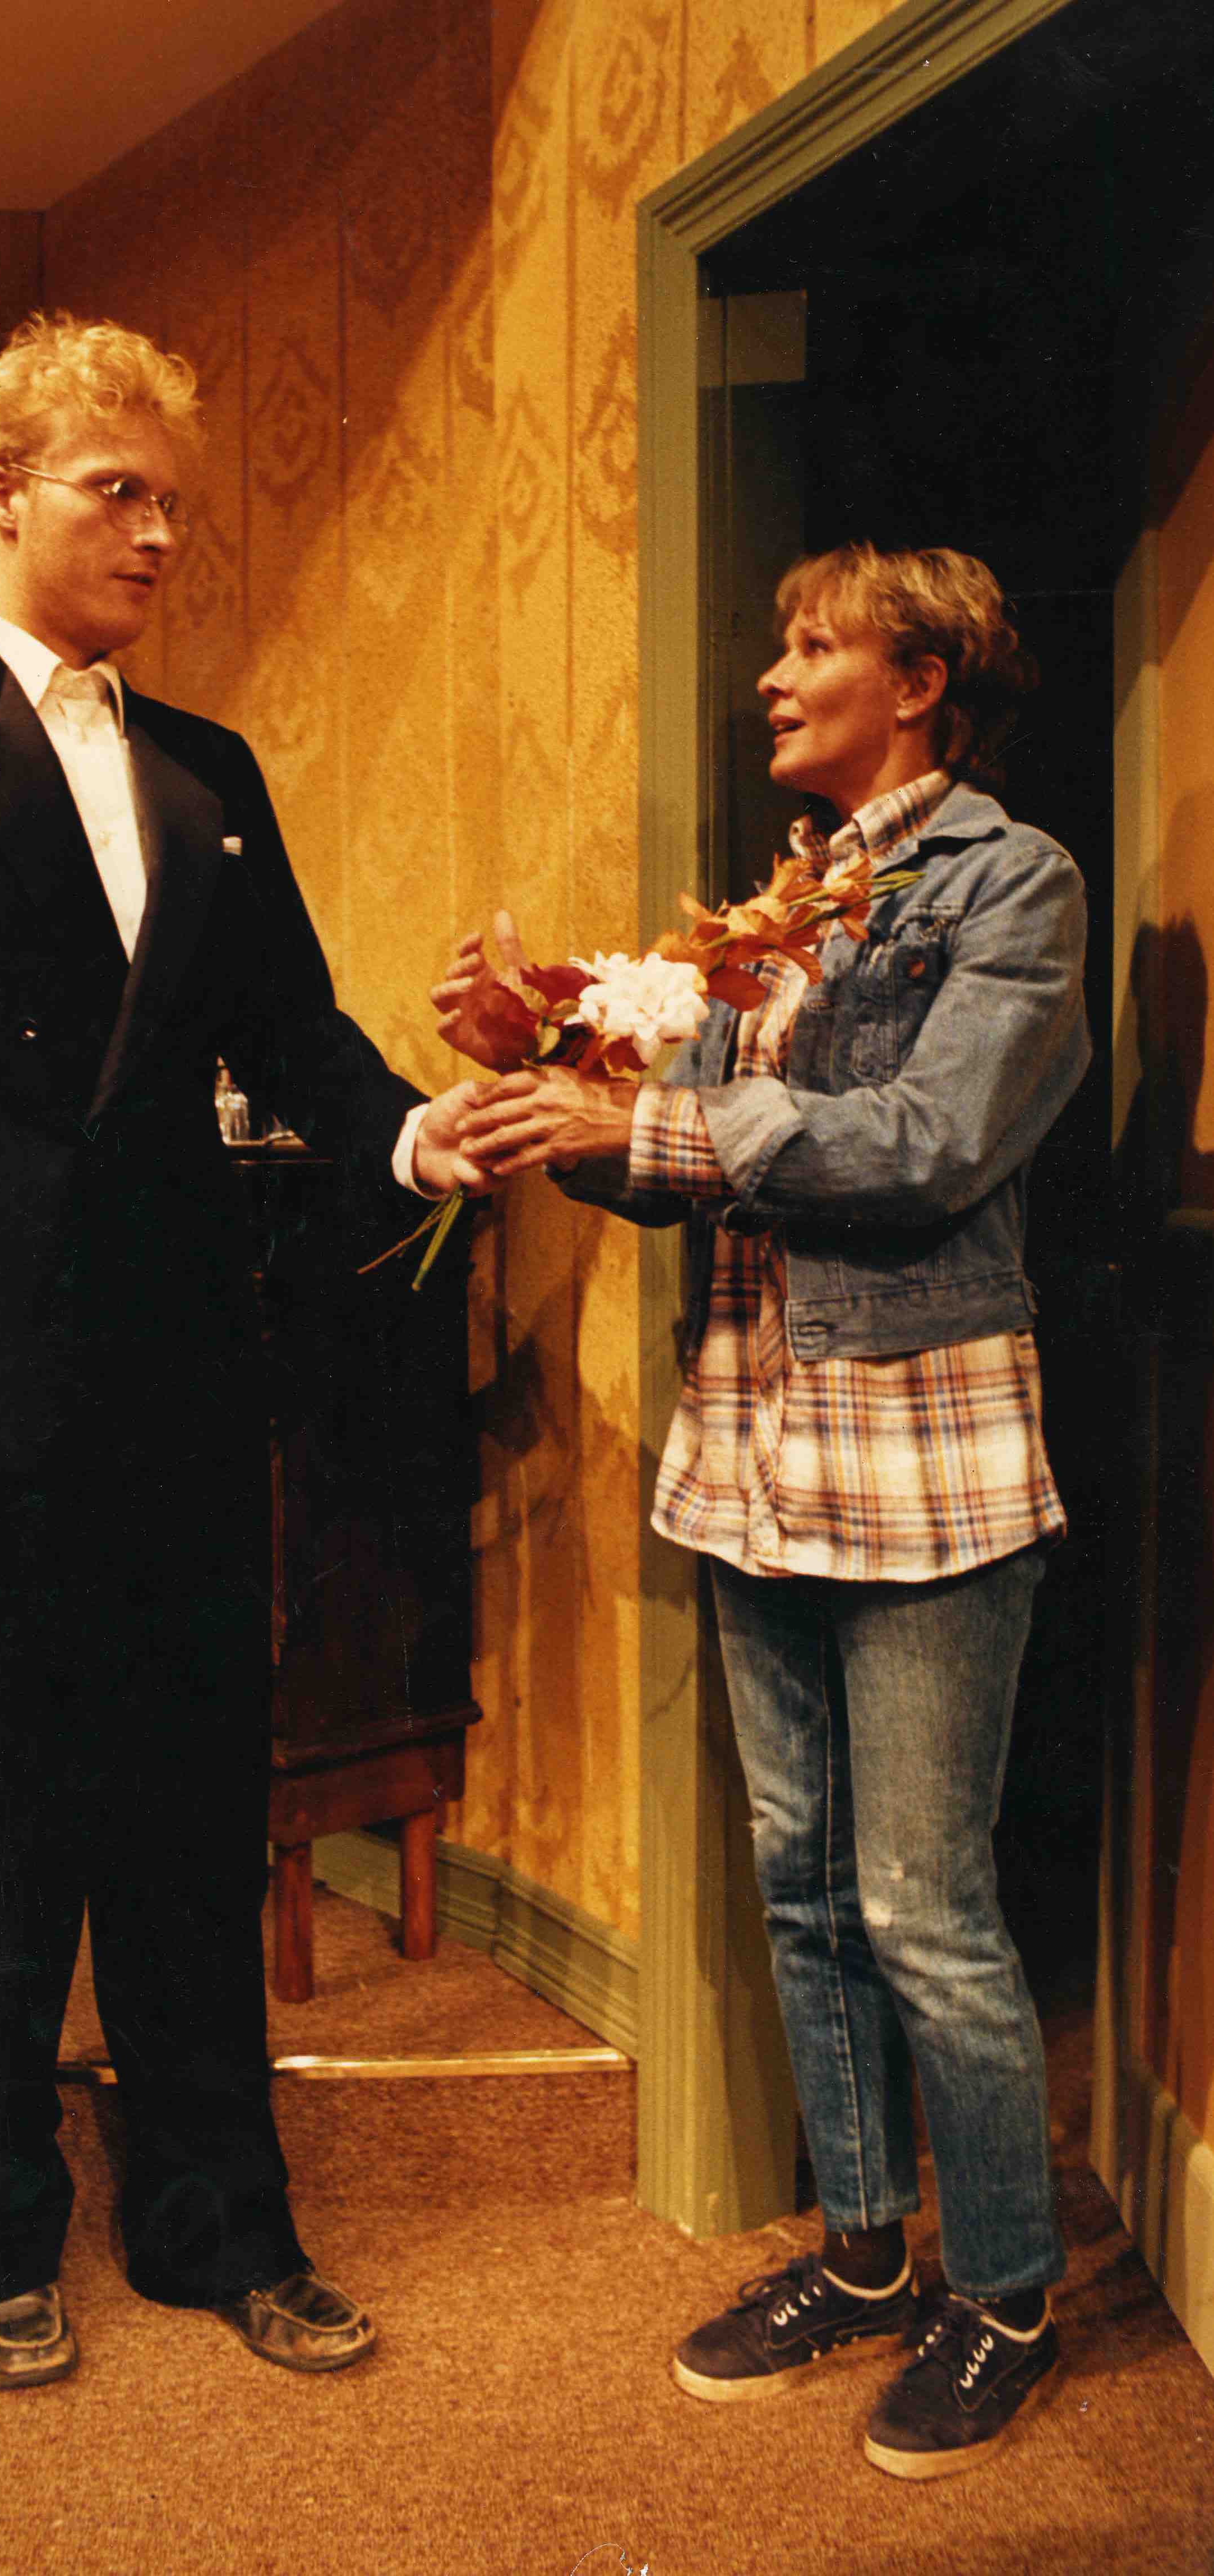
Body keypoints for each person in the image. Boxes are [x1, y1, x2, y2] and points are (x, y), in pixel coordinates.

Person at [0, 312, 487, 2391]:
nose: (158, 534)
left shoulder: (209, 767)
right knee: (4, 1812)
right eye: (114, 491)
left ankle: (218, 2217)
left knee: (190, 1800)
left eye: (173, 502)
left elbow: (297, 1036)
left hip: (187, 1365)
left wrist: (414, 1131)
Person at [438, 543, 1088, 2481]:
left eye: (813, 646)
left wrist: (643, 1118)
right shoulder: (783, 902)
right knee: (799, 1884)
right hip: (752, 1447)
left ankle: (1006, 2292)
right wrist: (539, 1073)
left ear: (922, 677)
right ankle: (865, 2254)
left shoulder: (1009, 882)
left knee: (921, 1904)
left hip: (922, 1448)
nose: (772, 676)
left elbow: (931, 1143)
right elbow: (689, 1165)